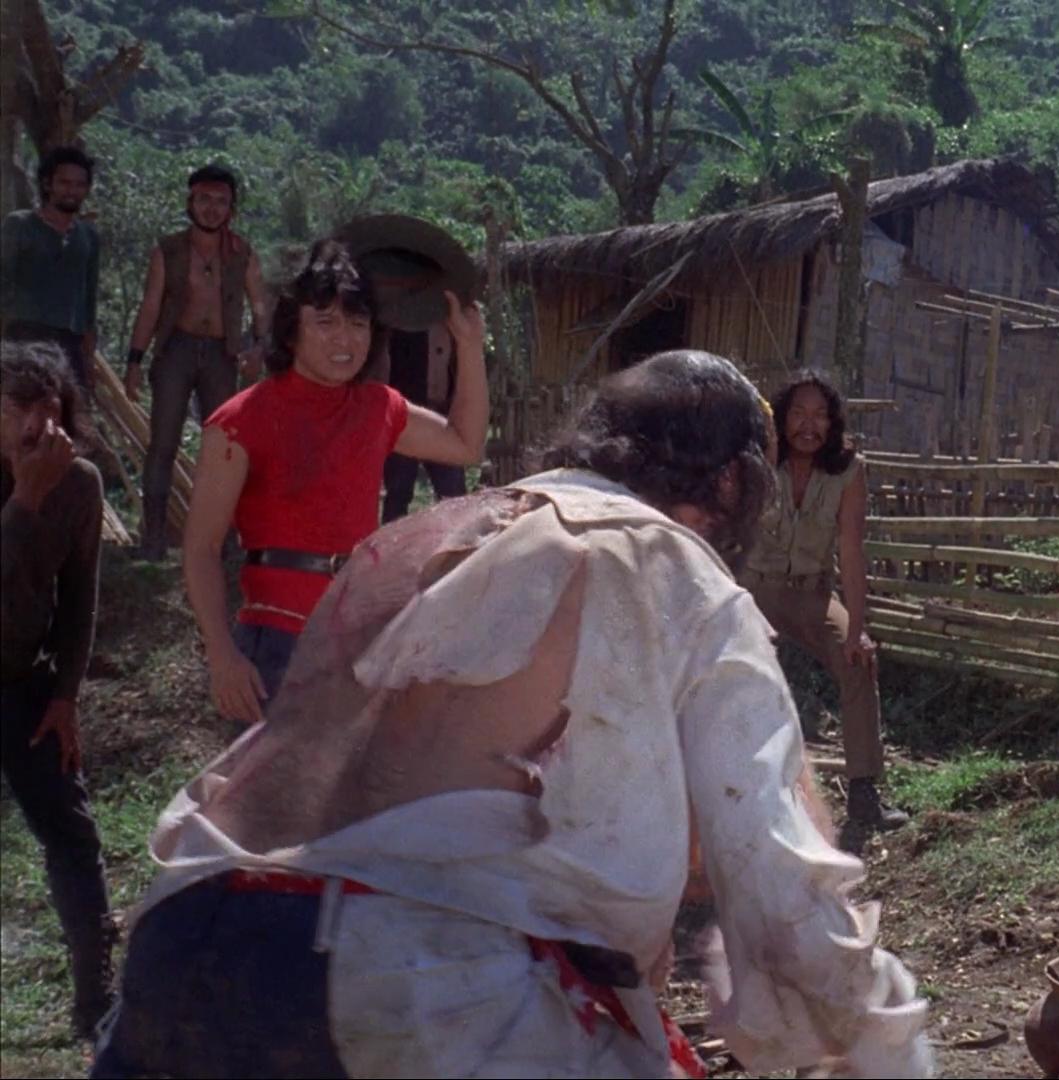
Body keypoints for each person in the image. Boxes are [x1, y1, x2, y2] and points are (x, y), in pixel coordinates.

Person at [91, 351, 933, 1079]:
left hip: (184, 925)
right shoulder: (678, 567)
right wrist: (881, 1033)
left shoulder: (431, 534)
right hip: (401, 967)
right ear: (731, 482)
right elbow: (784, 889)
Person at [184, 239, 488, 727]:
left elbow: (464, 444)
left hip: (359, 639)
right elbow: (202, 548)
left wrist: (469, 346)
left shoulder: (378, 407)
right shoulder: (239, 421)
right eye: (325, 322)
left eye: (357, 323)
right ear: (291, 331)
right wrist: (222, 656)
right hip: (276, 644)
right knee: (275, 781)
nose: (344, 339)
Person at [0, 341, 113, 1041]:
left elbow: (79, 601)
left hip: (27, 683)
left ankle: (96, 1001)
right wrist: (22, 502)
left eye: (49, 411)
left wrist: (66, 695)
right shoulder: (38, 486)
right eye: (17, 409)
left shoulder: (79, 484)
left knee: (72, 834)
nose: (36, 427)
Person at [743, 372, 907, 831]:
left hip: (812, 593)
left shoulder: (849, 470)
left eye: (819, 416)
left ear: (833, 423)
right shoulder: (756, 460)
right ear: (781, 419)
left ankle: (864, 795)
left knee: (858, 660)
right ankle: (738, 791)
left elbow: (851, 552)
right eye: (798, 414)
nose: (808, 426)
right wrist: (767, 456)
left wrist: (856, 631)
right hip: (753, 590)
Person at [124, 164, 276, 560]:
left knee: (223, 448)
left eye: (220, 201)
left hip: (222, 355)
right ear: (190, 202)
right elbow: (150, 306)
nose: (211, 208)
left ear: (231, 209)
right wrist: (134, 360)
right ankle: (154, 538)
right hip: (175, 349)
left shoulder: (242, 254)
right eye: (204, 199)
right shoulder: (169, 251)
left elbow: (260, 305)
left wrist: (259, 347)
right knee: (163, 443)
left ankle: (223, 539)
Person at [1, 147, 101, 393]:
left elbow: (89, 299)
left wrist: (88, 357)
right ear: (48, 184)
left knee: (71, 409)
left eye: (79, 184)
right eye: (64, 183)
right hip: (23, 338)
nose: (72, 191)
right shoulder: (20, 225)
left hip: (69, 342)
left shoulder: (88, 236)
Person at [376, 325, 467, 523]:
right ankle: (393, 541)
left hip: (443, 418)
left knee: (454, 494)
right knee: (398, 493)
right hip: (406, 416)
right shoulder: (400, 325)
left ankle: (458, 539)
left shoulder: (454, 328)